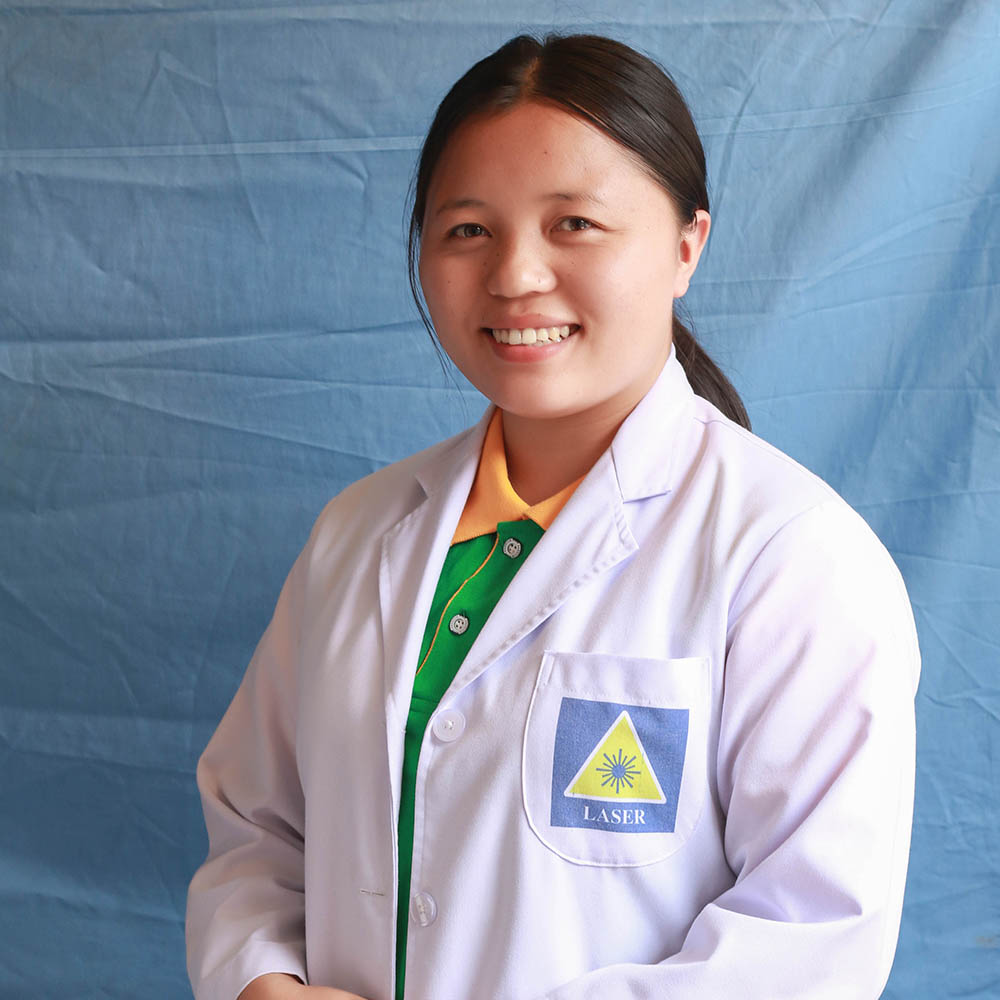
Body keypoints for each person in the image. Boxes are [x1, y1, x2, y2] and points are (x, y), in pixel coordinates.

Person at [186, 33, 920, 1000]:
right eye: (467, 230)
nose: (515, 275)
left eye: (574, 223)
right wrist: (262, 982)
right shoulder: (357, 535)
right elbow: (257, 829)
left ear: (687, 246)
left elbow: (810, 940)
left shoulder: (790, 557)